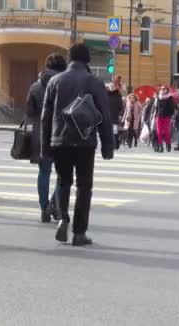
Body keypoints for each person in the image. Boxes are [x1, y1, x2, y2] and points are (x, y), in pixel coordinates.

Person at [41, 43, 114, 246]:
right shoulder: (94, 82)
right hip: (85, 141)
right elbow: (104, 117)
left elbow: (45, 118)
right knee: (84, 186)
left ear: (70, 58)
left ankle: (63, 218)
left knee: (63, 181)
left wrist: (45, 147)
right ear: (87, 60)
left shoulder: (55, 81)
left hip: (59, 140)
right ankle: (79, 233)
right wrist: (108, 145)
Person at [26, 53, 66, 223]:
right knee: (62, 174)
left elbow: (29, 112)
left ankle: (44, 208)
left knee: (44, 172)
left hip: (40, 135)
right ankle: (54, 205)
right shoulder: (64, 84)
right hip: (60, 134)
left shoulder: (35, 86)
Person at [155, 86, 175, 152]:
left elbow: (172, 109)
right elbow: (156, 108)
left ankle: (168, 144)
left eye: (164, 89)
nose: (163, 90)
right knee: (159, 132)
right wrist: (155, 115)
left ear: (167, 90)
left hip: (166, 117)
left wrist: (169, 115)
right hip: (159, 116)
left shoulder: (170, 98)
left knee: (166, 132)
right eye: (161, 89)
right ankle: (161, 146)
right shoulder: (158, 98)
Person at [107, 85, 124, 150]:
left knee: (115, 132)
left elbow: (121, 106)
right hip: (108, 116)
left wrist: (120, 114)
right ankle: (110, 144)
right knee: (108, 132)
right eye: (110, 87)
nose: (111, 88)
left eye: (112, 87)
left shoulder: (118, 96)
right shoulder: (106, 95)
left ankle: (116, 144)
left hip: (115, 116)